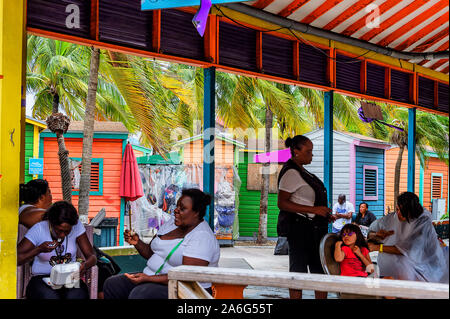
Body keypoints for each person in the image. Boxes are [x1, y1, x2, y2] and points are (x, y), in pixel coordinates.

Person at [103, 188, 220, 299]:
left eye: (182, 208)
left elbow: (186, 276)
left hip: (188, 290)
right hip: (154, 278)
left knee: (140, 294)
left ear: (196, 213)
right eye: (177, 206)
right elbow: (151, 253)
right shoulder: (172, 224)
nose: (176, 210)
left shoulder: (202, 237)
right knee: (113, 284)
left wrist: (148, 278)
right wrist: (137, 242)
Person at [277, 135, 333, 300]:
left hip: (314, 228)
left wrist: (324, 214)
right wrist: (314, 210)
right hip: (300, 228)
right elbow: (282, 203)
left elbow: (305, 200)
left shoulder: (302, 171)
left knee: (319, 270)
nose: (311, 155)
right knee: (298, 272)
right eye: (308, 152)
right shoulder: (291, 172)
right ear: (296, 152)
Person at [17, 201, 97, 299]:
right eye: (59, 230)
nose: (62, 235)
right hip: (42, 278)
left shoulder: (77, 227)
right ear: (51, 223)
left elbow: (92, 257)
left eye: (67, 231)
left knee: (77, 295)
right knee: (50, 297)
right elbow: (17, 258)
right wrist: (38, 249)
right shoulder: (39, 229)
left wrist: (84, 266)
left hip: (69, 278)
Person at [367, 192, 449, 283]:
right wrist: (376, 235)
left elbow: (407, 249)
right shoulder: (391, 218)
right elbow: (370, 232)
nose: (399, 214)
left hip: (427, 268)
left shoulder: (423, 222)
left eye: (403, 211)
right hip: (391, 271)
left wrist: (378, 247)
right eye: (397, 209)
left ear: (412, 210)